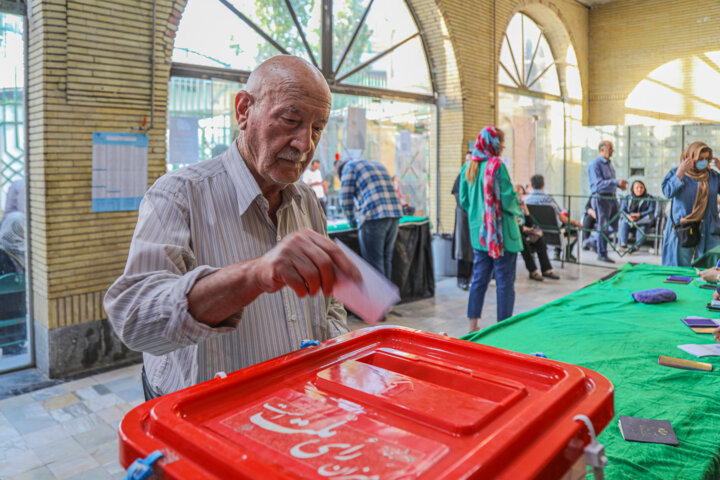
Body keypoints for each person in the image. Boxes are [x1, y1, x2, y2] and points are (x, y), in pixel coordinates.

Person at [104, 56, 361, 398]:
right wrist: (254, 275)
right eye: (290, 120)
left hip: (295, 403)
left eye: (317, 127)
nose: (305, 143)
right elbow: (134, 322)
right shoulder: (179, 195)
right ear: (243, 110)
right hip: (205, 416)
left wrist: (330, 355)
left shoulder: (307, 202)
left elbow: (328, 304)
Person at [460, 126, 523, 332]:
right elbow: (506, 199)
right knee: (504, 283)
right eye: (501, 142)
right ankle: (503, 328)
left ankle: (472, 325)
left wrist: (480, 217)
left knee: (479, 279)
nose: (503, 146)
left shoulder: (468, 167)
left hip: (480, 235)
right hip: (501, 236)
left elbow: (464, 200)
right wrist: (518, 203)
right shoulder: (498, 167)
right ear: (493, 144)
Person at [338, 159, 403, 280]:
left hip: (374, 216)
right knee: (386, 259)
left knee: (374, 264)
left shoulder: (349, 167)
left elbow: (345, 198)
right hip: (394, 214)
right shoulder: (376, 164)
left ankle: (379, 298)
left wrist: (352, 221)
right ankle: (387, 298)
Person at [662, 141, 720, 266]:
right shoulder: (676, 173)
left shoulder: (713, 176)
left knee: (708, 268)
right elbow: (667, 192)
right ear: (690, 157)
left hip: (708, 228)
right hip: (683, 229)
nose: (703, 162)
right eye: (700, 158)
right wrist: (680, 173)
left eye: (706, 159)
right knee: (679, 269)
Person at [587, 141, 628, 263]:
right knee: (603, 226)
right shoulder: (595, 165)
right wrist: (616, 182)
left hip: (612, 197)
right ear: (602, 150)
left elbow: (610, 181)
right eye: (610, 149)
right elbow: (598, 184)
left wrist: (619, 185)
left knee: (614, 225)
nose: (612, 151)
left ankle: (592, 241)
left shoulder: (609, 164)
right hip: (601, 198)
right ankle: (602, 253)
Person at [524, 174, 580, 262]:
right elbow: (562, 217)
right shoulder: (549, 199)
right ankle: (566, 254)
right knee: (573, 230)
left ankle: (557, 254)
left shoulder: (526, 201)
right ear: (543, 185)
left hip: (536, 231)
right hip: (554, 233)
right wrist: (576, 223)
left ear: (531, 185)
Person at [516, 185, 559, 282]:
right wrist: (522, 228)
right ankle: (533, 271)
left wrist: (526, 211)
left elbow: (530, 223)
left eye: (522, 194)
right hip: (517, 232)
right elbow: (512, 223)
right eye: (518, 194)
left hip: (525, 230)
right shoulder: (511, 207)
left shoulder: (522, 206)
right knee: (524, 244)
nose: (520, 196)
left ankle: (546, 269)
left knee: (539, 240)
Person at [451, 151, 474, 290]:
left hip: (474, 218)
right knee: (463, 247)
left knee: (473, 248)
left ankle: (471, 276)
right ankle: (462, 278)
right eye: (466, 160)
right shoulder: (461, 177)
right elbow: (459, 197)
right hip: (463, 217)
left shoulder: (476, 177)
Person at [618, 180, 655, 252]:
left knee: (643, 228)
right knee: (623, 223)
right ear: (632, 189)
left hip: (643, 219)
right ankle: (624, 245)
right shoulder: (627, 197)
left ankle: (635, 248)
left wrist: (639, 215)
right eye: (637, 188)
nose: (639, 189)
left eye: (641, 187)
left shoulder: (649, 198)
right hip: (630, 219)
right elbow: (622, 210)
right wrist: (629, 216)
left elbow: (651, 210)